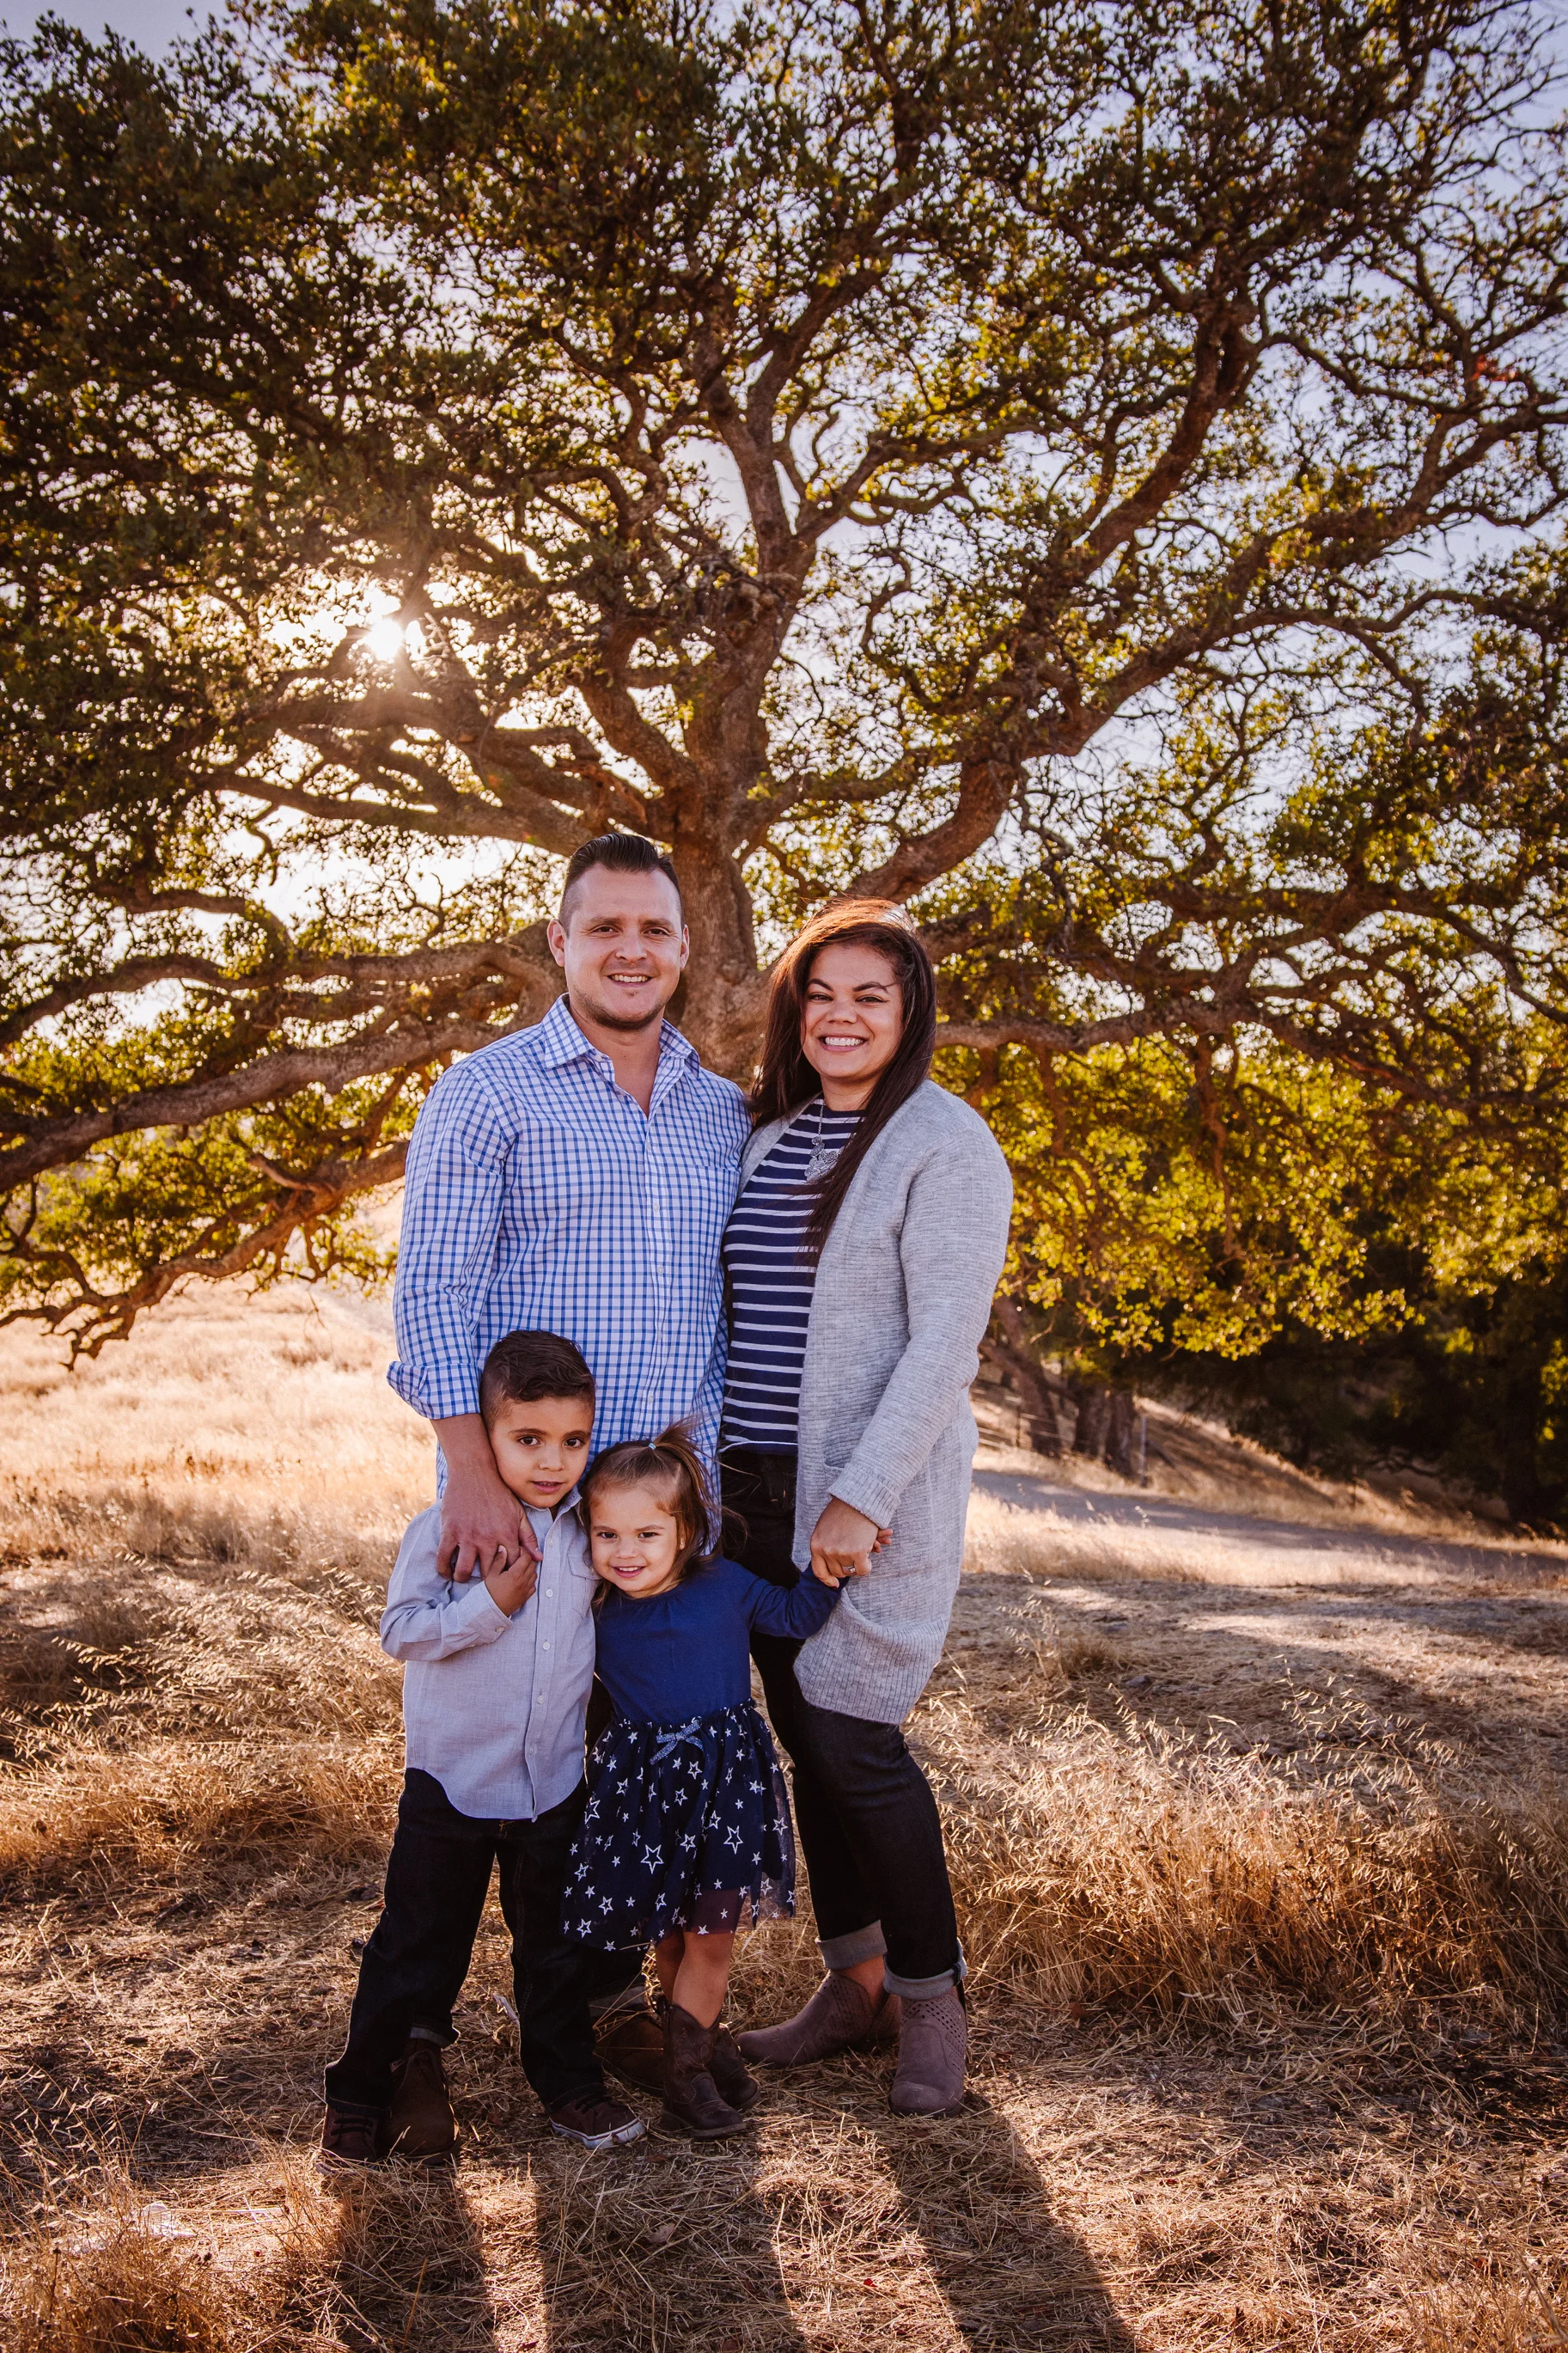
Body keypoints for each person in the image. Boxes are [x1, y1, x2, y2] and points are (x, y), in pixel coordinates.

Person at [389, 833, 750, 2090]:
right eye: (603, 928)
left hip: (660, 1515)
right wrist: (473, 1473)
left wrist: (700, 1490)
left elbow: (720, 1299)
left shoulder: (720, 1109)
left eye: (652, 928)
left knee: (645, 1763)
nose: (630, 949)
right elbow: (432, 1291)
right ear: (560, 940)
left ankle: (611, 2012)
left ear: (685, 945)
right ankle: (414, 2029)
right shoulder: (486, 1091)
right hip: (530, 1494)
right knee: (493, 1769)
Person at [719, 900, 1013, 2117]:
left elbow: (945, 1342)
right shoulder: (768, 1135)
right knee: (803, 1746)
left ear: (908, 1015)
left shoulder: (945, 1143)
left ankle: (932, 2004)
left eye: (868, 998)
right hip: (745, 1485)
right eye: (820, 993)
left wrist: (858, 1496)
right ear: (796, 1006)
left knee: (855, 1740)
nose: (840, 1016)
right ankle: (854, 1983)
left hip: (859, 1495)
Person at [320, 1331, 645, 2165]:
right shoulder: (443, 1528)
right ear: (486, 1435)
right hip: (454, 1780)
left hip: (551, 1783)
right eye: (528, 1438)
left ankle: (567, 2081)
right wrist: (490, 1603)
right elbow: (400, 1631)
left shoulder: (586, 1534)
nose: (552, 1460)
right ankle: (363, 2088)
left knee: (554, 1946)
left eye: (573, 1439)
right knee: (416, 1944)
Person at [561, 1428, 842, 2140]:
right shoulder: (594, 1609)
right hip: (644, 1794)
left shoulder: (723, 1585)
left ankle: (683, 2082)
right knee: (669, 1934)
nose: (625, 1551)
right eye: (606, 1534)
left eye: (647, 1533)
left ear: (686, 1532)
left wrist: (825, 1565)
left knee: (711, 1937)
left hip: (724, 1788)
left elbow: (795, 1616)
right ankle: (707, 2053)